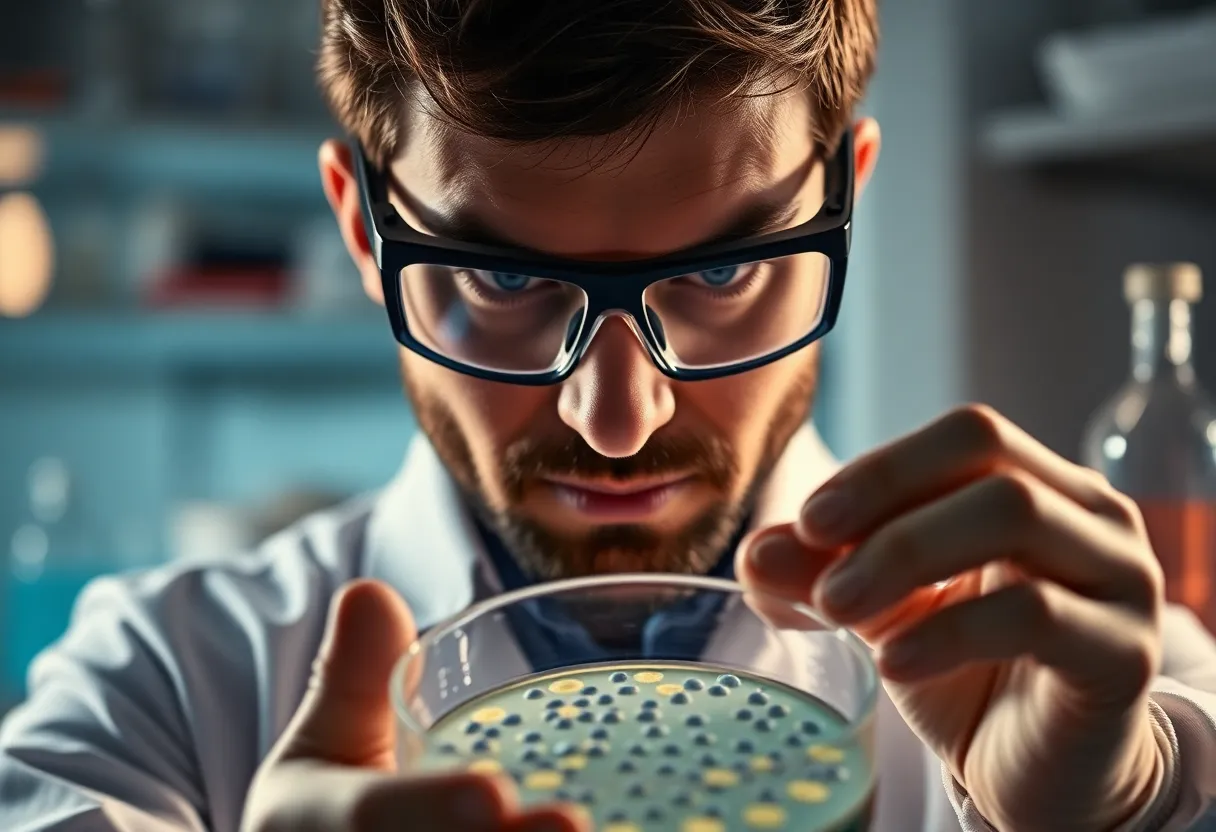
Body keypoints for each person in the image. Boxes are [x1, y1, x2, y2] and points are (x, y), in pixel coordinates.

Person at [4, 0, 1216, 829]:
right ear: (366, 233)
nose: (618, 416)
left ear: (844, 205)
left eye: (727, 273)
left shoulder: (1108, 690)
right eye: (507, 280)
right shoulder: (164, 685)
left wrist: (1110, 812)